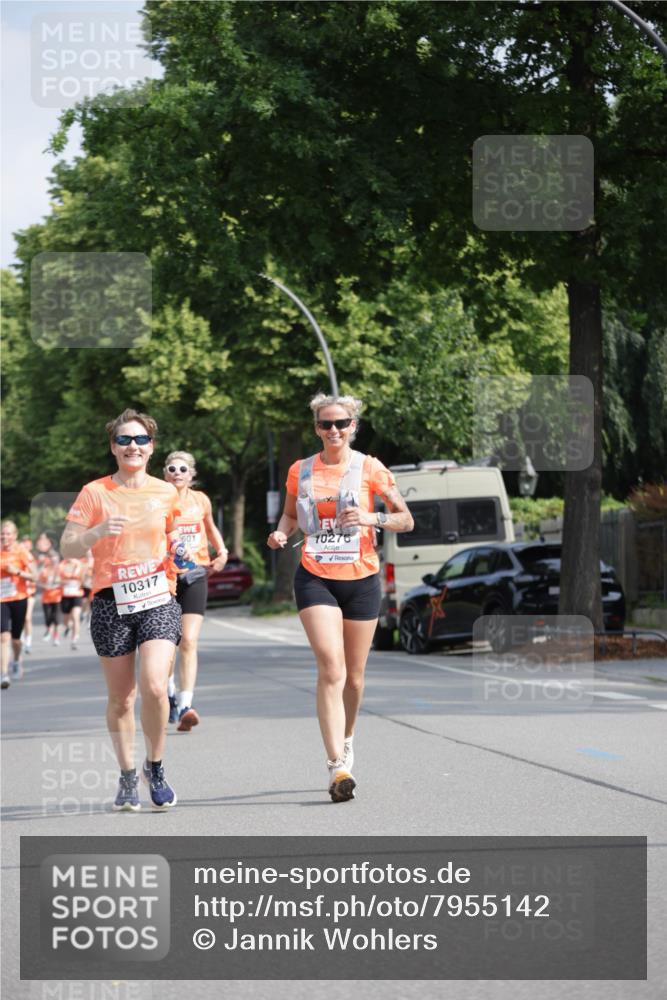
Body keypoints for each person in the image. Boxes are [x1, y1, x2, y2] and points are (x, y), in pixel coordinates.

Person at [267, 394, 413, 802]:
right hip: (316, 576)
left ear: (353, 426)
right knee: (331, 668)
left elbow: (405, 518)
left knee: (354, 676)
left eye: (342, 423)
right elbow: (292, 515)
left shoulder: (371, 468)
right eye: (326, 424)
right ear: (316, 428)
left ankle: (347, 739)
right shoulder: (301, 470)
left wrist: (372, 517)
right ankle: (337, 767)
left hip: (362, 577)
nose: (334, 430)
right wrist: (282, 533)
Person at [60, 408, 183, 811]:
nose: (133, 446)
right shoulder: (95, 492)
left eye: (141, 440)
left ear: (151, 448)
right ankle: (128, 774)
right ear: (114, 447)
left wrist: (180, 550)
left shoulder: (166, 491)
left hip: (158, 598)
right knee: (122, 699)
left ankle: (156, 766)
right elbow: (68, 546)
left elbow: (173, 533)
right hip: (112, 601)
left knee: (153, 684)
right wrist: (96, 532)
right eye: (125, 440)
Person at [163, 451, 228, 731]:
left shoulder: (201, 500)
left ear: (191, 475)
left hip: (195, 573)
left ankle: (186, 704)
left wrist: (222, 551)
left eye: (183, 469)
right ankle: (167, 695)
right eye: (172, 468)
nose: (177, 473)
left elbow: (210, 528)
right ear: (165, 473)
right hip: (164, 577)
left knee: (188, 640)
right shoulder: (156, 500)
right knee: (166, 645)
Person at [1, 520, 36, 686]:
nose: (4, 537)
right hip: (2, 599)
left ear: (14, 536)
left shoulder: (21, 552)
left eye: (8, 534)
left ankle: (16, 660)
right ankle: (4, 674)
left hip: (19, 598)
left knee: (15, 638)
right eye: (2, 533)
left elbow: (35, 575)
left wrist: (17, 572)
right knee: (3, 636)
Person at [58, 556, 85, 649]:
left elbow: (85, 577)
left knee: (75, 616)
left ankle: (74, 640)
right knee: (66, 620)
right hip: (65, 595)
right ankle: (68, 627)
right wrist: (64, 582)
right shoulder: (62, 565)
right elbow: (56, 579)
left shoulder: (80, 564)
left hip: (77, 595)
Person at [19, 535, 37, 654]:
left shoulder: (31, 560)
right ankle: (20, 639)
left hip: (29, 593)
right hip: (18, 593)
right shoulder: (15, 560)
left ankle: (28, 642)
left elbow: (35, 577)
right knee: (19, 619)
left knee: (27, 618)